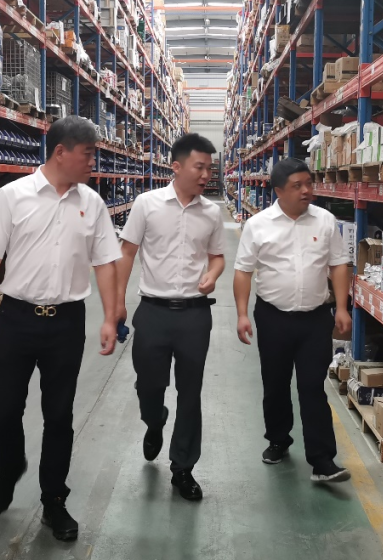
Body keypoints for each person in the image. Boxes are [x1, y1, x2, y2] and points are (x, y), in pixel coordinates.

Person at [0, 115, 120, 542]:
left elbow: (106, 263)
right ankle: (10, 467)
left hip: (66, 322)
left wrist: (110, 316)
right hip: (16, 318)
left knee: (59, 415)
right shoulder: (13, 196)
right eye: (88, 154)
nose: (93, 162)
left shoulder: (93, 203)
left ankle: (54, 499)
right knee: (3, 408)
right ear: (61, 152)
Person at [116, 133, 225, 501]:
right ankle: (154, 419)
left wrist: (212, 274)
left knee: (190, 392)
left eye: (210, 168)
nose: (206, 174)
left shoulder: (211, 213)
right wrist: (118, 302)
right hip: (153, 312)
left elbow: (217, 256)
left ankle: (183, 467)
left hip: (195, 315)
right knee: (149, 386)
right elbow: (127, 253)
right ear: (176, 167)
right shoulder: (146, 205)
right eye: (200, 167)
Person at [232, 157, 353, 483]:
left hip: (315, 318)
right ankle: (278, 439)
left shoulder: (325, 221)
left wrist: (342, 307)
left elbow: (339, 264)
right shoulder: (259, 225)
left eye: (309, 183)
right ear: (278, 191)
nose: (306, 191)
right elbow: (243, 271)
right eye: (297, 186)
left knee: (313, 387)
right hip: (273, 317)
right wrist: (242, 314)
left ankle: (322, 460)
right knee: (275, 383)